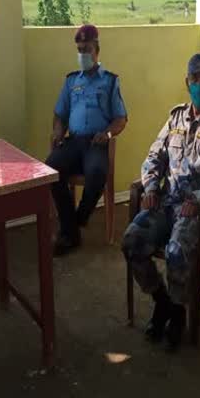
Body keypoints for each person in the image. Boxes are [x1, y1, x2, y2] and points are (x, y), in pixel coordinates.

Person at [122, 54, 200, 351]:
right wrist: (150, 187)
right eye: (195, 78)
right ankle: (163, 302)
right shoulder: (175, 118)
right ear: (187, 83)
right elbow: (153, 158)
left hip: (196, 209)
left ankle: (178, 313)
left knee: (176, 251)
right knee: (132, 241)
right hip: (165, 203)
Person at [46, 24, 128, 256]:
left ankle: (73, 225)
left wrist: (109, 133)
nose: (83, 55)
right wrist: (58, 132)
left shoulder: (110, 81)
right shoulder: (72, 81)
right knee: (50, 170)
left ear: (97, 51)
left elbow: (121, 118)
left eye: (87, 49)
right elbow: (60, 114)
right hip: (73, 142)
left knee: (97, 174)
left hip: (96, 142)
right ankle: (72, 230)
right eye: (80, 50)